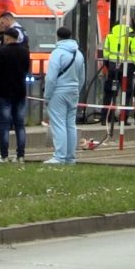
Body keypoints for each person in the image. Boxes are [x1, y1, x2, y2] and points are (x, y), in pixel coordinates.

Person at [44, 26, 86, 165]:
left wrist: (47, 96)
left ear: (58, 37)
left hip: (58, 91)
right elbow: (82, 77)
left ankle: (59, 156)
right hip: (73, 91)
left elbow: (51, 78)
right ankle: (70, 157)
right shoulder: (78, 54)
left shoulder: (57, 53)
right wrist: (77, 90)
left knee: (58, 124)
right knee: (70, 124)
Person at [0, 26, 30, 163]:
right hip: (20, 91)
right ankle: (20, 155)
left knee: (4, 124)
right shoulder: (25, 52)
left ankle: (4, 155)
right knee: (20, 124)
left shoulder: (1, 52)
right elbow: (26, 70)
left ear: (7, 38)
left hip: (4, 92)